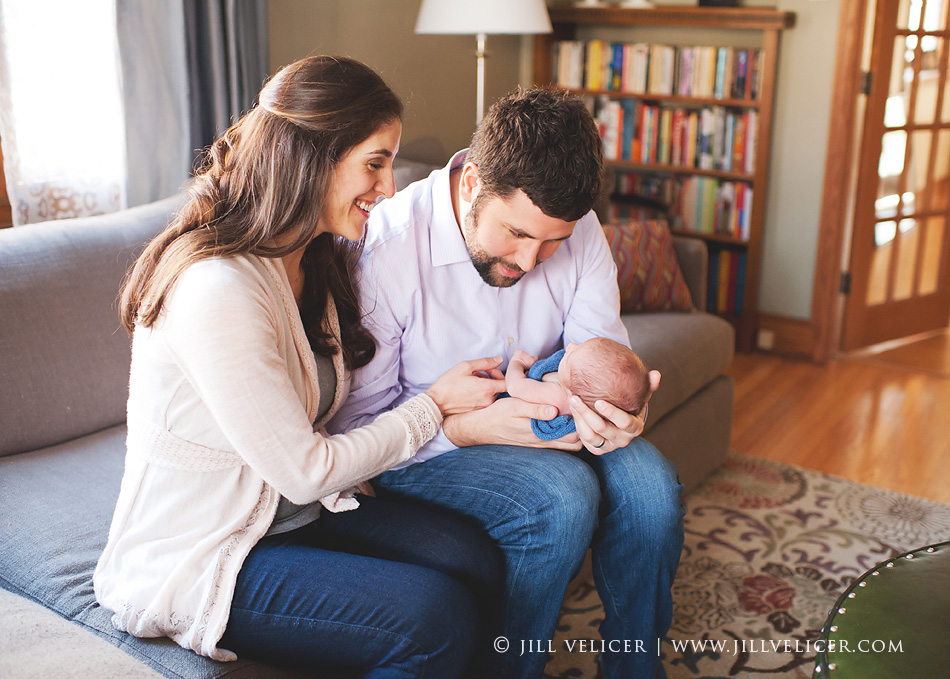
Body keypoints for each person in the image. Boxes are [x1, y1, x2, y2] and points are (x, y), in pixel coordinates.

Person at [93, 56, 507, 678]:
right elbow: (308, 470)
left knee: (475, 558)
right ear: (310, 156)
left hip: (287, 516)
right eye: (374, 162)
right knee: (433, 616)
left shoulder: (314, 259)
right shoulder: (217, 288)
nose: (389, 187)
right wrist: (433, 410)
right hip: (205, 551)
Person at [329, 87, 686, 679]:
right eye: (516, 233)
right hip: (427, 444)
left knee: (651, 491)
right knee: (561, 500)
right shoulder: (387, 249)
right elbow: (358, 431)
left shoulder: (581, 229)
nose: (530, 260)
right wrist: (467, 430)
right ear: (471, 184)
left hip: (553, 409)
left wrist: (619, 412)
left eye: (553, 242)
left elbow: (598, 352)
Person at [505, 338, 661, 441]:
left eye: (571, 356)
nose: (570, 346)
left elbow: (514, 386)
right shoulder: (587, 393)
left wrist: (516, 362)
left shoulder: (556, 394)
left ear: (573, 392)